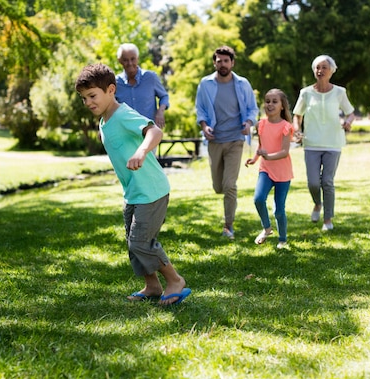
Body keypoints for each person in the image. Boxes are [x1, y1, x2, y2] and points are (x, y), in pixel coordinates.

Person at [75, 63, 190, 306]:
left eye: (92, 96)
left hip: (151, 190)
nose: (88, 102)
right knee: (133, 242)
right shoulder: (105, 121)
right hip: (134, 193)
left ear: (111, 90)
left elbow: (154, 132)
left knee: (141, 241)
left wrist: (140, 151)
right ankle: (152, 285)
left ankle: (175, 280)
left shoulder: (123, 114)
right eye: (84, 98)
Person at [195, 45, 259, 240]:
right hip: (215, 140)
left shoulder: (242, 84)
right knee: (219, 186)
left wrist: (248, 123)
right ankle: (227, 213)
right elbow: (200, 110)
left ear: (232, 63)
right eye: (219, 61)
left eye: (226, 61)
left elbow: (252, 109)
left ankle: (228, 226)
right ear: (214, 62)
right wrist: (205, 127)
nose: (222, 64)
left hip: (235, 139)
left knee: (230, 184)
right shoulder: (205, 84)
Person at [293, 55, 355, 231]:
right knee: (313, 182)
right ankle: (317, 204)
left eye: (324, 68)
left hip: (333, 143)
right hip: (311, 142)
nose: (320, 71)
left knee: (327, 182)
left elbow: (350, 112)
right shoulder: (305, 93)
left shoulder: (339, 92)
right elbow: (298, 115)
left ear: (332, 71)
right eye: (317, 68)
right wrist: (297, 130)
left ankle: (328, 219)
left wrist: (348, 122)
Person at [245, 89, 294, 249]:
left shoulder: (286, 126)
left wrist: (268, 156)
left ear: (282, 106)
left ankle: (282, 239)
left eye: (274, 101)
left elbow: (284, 152)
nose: (270, 104)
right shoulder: (261, 124)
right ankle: (267, 228)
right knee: (258, 199)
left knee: (279, 210)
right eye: (267, 101)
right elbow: (261, 145)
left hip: (282, 172)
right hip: (265, 169)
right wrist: (254, 159)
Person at [115, 43, 169, 129]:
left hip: (149, 132)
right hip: (125, 133)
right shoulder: (115, 83)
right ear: (119, 61)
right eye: (125, 60)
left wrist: (160, 112)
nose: (130, 63)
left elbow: (164, 96)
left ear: (138, 59)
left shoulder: (151, 77)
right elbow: (108, 107)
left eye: (133, 59)